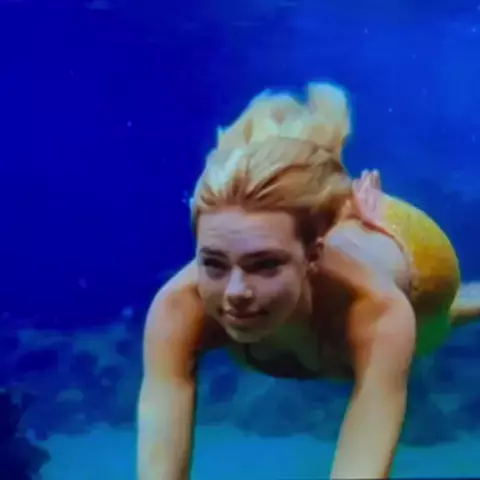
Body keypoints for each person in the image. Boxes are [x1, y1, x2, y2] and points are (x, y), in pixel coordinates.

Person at [137, 82, 480, 480]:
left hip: (413, 255)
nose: (235, 293)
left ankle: (349, 215)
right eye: (212, 264)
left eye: (265, 265)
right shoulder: (179, 306)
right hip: (310, 232)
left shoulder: (376, 306)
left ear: (314, 256)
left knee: (435, 323)